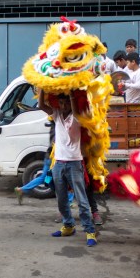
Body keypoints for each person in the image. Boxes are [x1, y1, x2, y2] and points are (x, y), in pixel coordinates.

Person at [37, 90, 97, 247]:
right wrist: (42, 87)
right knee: (61, 199)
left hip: (74, 163)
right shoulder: (56, 114)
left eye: (66, 103)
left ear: (71, 103)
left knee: (82, 200)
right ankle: (68, 226)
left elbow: (75, 110)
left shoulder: (76, 117)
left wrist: (71, 94)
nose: (63, 106)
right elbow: (41, 105)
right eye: (61, 103)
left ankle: (90, 231)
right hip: (58, 164)